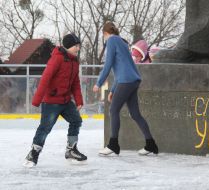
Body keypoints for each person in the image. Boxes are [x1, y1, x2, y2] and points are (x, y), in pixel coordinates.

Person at [93, 21, 158, 156]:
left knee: (113, 109)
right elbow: (121, 69)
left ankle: (113, 145)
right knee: (135, 114)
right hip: (133, 80)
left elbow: (108, 65)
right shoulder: (122, 43)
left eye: (104, 36)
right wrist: (112, 90)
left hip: (126, 81)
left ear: (105, 34)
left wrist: (98, 83)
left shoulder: (111, 41)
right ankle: (150, 144)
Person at [23, 33, 87, 167]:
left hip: (65, 101)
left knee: (76, 120)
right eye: (76, 46)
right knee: (45, 128)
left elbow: (75, 83)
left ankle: (71, 150)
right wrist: (37, 100)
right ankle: (33, 153)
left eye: (78, 46)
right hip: (51, 101)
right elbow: (45, 78)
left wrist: (79, 100)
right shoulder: (57, 59)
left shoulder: (75, 62)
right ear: (68, 46)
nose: (78, 48)